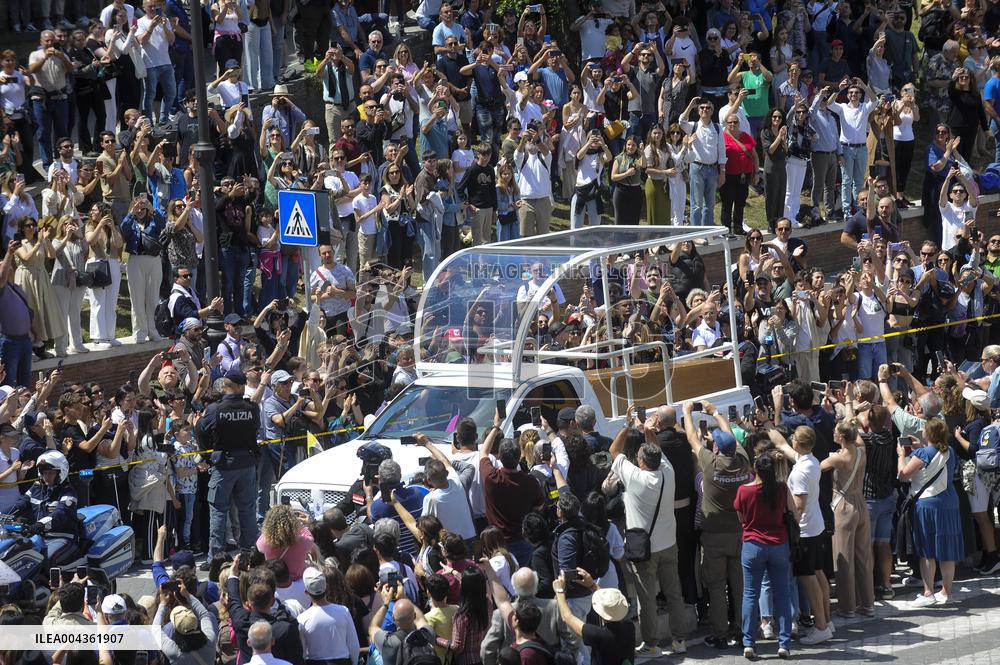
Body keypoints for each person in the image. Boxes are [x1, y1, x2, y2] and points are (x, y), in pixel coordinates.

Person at [608, 410, 687, 657]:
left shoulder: (635, 478)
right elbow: (656, 449)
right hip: (669, 543)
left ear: (641, 462)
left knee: (647, 598)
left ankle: (652, 644)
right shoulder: (667, 472)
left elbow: (614, 451)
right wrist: (648, 431)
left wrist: (628, 425)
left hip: (645, 548)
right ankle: (679, 640)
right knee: (674, 594)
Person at [682, 400, 751, 648]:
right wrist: (716, 413)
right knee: (740, 586)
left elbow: (692, 437)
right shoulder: (743, 461)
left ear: (716, 449)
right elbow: (732, 436)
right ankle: (744, 630)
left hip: (713, 538)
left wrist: (687, 413)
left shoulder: (710, 466)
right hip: (739, 534)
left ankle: (720, 633)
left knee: (716, 587)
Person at [195, 369, 261, 567]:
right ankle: (250, 554)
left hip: (224, 465)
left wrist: (207, 454)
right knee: (247, 510)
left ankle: (215, 559)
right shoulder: (252, 408)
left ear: (226, 385)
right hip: (247, 463)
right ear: (241, 386)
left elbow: (199, 429)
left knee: (218, 512)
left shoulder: (217, 409)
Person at [734, 451, 795, 660]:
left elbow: (741, 517)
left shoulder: (744, 491)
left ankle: (749, 642)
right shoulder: (781, 489)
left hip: (752, 545)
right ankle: (784, 643)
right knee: (782, 595)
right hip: (778, 543)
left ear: (755, 468)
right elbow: (792, 511)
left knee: (750, 594)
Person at [898, 418, 964, 606]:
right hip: (949, 502)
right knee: (946, 547)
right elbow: (936, 455)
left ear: (927, 433)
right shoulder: (950, 451)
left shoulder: (922, 453)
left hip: (928, 504)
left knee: (927, 549)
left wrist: (901, 456)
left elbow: (903, 475)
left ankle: (928, 593)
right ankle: (946, 591)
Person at [297, 566, 361, 665]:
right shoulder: (343, 611)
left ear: (306, 592)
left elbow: (302, 652)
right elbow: (354, 645)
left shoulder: (302, 619)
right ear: (326, 587)